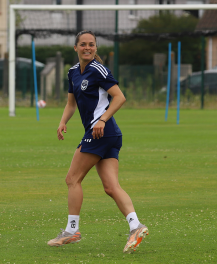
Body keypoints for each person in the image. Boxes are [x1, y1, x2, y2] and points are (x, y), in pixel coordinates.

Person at [47, 31, 148, 253]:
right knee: (111, 187)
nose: (87, 48)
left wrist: (102, 119)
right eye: (83, 44)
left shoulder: (99, 70)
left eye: (91, 45)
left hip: (100, 132)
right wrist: (63, 121)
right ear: (75, 47)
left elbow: (120, 97)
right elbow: (71, 103)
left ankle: (72, 230)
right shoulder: (73, 72)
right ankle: (135, 226)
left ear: (95, 48)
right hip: (108, 134)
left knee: (72, 179)